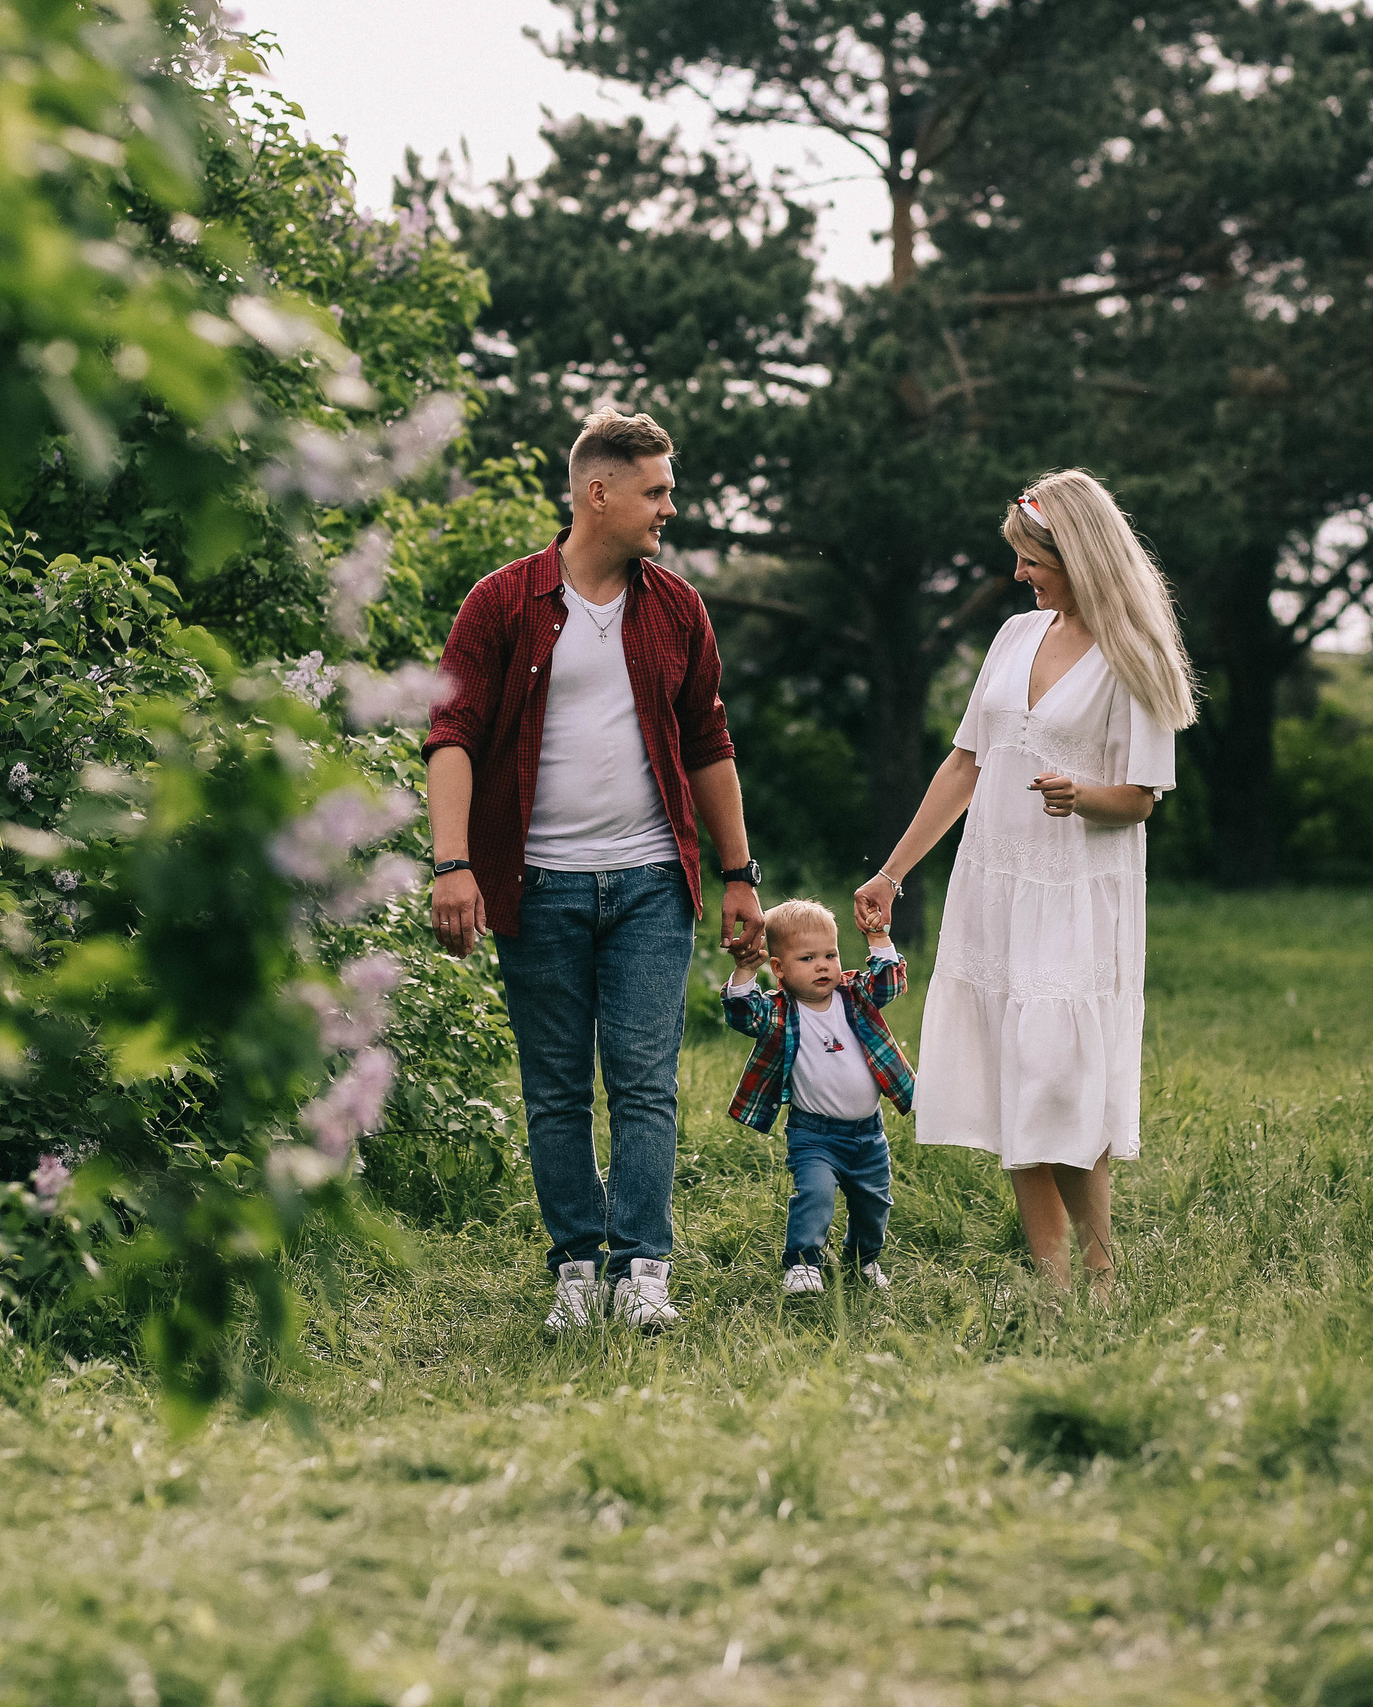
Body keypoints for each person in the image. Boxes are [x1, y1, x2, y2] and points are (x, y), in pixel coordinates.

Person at [423, 407, 766, 1332]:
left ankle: (642, 1267)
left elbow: (709, 742)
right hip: (537, 886)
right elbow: (449, 735)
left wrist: (741, 874)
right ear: (597, 492)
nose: (668, 508)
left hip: (652, 882)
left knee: (647, 1078)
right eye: (655, 491)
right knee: (556, 1087)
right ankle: (578, 1264)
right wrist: (453, 864)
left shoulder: (678, 608)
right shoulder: (501, 603)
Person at [853, 470, 1197, 1298]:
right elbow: (967, 762)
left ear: (1076, 553)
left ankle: (1104, 1273)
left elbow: (1144, 796)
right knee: (1017, 1082)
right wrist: (894, 871)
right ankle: (1052, 1285)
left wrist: (1082, 797)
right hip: (995, 882)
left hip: (1079, 893)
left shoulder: (1134, 653)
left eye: (1031, 558)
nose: (1018, 575)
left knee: (1058, 1079)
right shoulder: (1013, 639)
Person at [722, 899, 914, 1295]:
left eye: (830, 954)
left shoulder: (853, 996)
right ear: (779, 969)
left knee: (874, 1204)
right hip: (815, 1136)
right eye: (807, 958)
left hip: (869, 1135)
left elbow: (889, 984)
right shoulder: (779, 1011)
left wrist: (877, 937)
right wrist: (744, 969)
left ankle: (863, 1260)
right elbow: (742, 1014)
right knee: (814, 1194)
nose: (823, 965)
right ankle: (803, 1264)